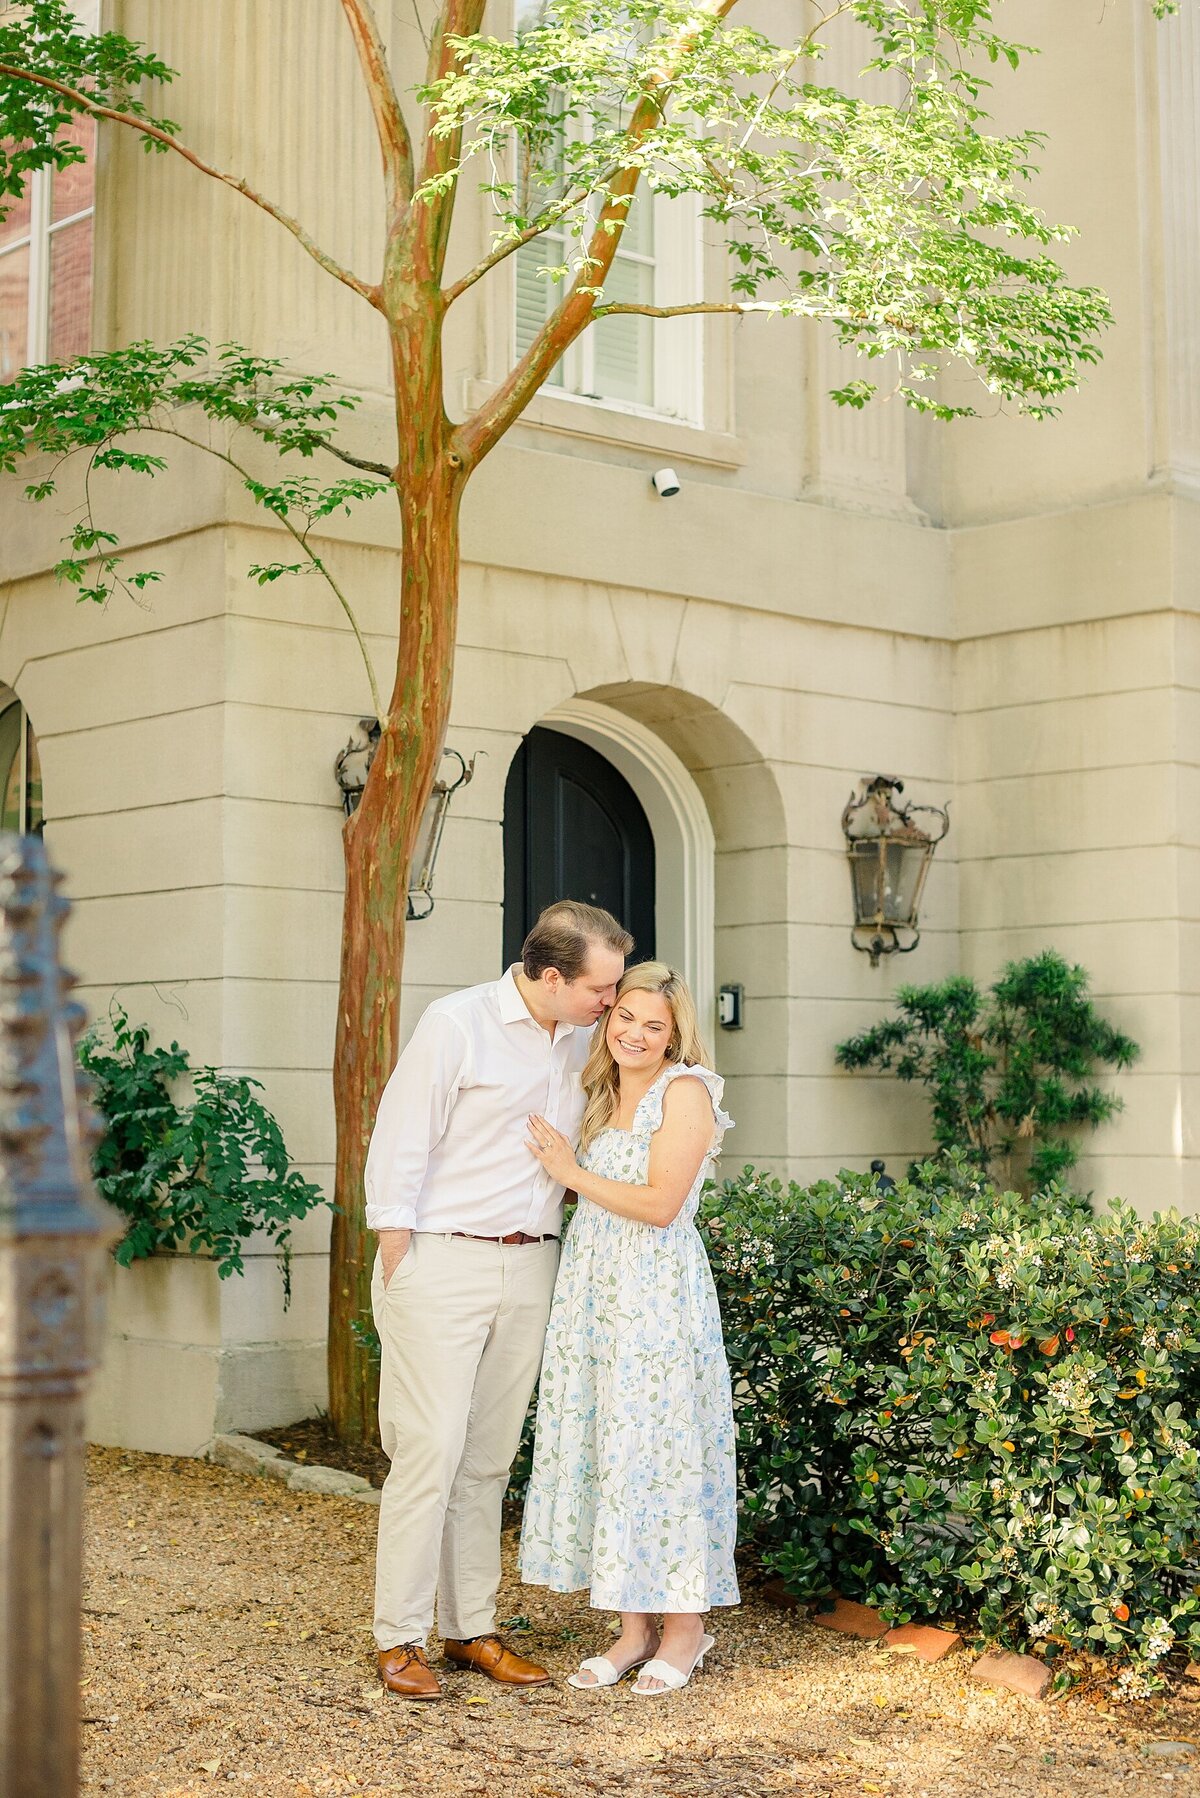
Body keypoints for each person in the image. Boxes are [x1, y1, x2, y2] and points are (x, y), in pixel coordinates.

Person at [364, 900, 632, 1701]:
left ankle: (469, 1629)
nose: (611, 1002)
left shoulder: (585, 1036)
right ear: (551, 978)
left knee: (486, 1463)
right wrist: (397, 1252)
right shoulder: (458, 1024)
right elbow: (399, 1136)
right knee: (430, 1452)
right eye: (601, 987)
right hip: (442, 1262)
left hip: (532, 1267)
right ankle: (398, 1638)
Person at [519, 961, 739, 1697]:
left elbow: (661, 1204)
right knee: (615, 1451)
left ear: (676, 1035)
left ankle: (686, 1630)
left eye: (655, 1025)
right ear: (607, 1020)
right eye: (626, 1018)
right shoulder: (601, 1091)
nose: (636, 1034)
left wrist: (569, 1172)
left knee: (661, 1449)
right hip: (598, 1297)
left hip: (656, 1299)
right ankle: (633, 1629)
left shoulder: (686, 1092)